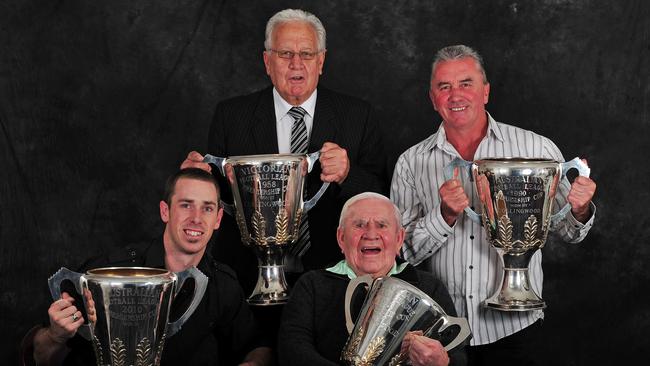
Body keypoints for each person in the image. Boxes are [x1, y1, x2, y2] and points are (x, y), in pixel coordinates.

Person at [390, 45, 597, 365]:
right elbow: (402, 254)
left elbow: (570, 232)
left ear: (485, 92)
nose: (455, 95)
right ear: (432, 98)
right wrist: (443, 216)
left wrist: (580, 208)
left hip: (517, 328)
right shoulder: (410, 162)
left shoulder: (536, 147)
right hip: (443, 335)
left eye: (466, 83)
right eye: (444, 87)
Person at [181, 8, 386, 292]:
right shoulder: (231, 116)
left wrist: (347, 174)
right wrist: (194, 180)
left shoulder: (358, 116)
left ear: (321, 61)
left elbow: (382, 196)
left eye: (307, 54)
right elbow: (217, 201)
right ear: (267, 61)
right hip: (246, 280)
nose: (296, 64)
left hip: (334, 280)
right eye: (285, 54)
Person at [31, 168, 272, 366]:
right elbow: (39, 357)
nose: (197, 218)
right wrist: (55, 336)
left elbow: (257, 347)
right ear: (165, 211)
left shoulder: (223, 285)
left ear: (218, 219)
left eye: (207, 208)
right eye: (186, 205)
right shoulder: (105, 272)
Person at [278, 192, 467, 365]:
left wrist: (442, 362)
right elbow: (292, 350)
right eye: (359, 225)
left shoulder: (429, 286)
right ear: (341, 238)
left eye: (382, 225)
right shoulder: (311, 285)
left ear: (399, 238)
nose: (370, 234)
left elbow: (459, 357)